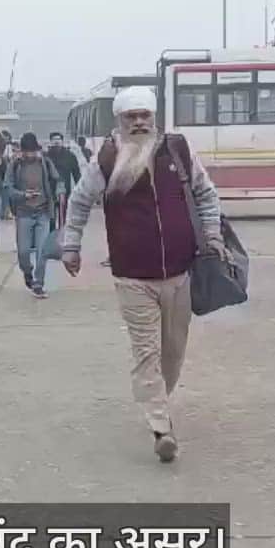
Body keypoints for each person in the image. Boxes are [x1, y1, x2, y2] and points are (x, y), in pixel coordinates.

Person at [61, 86, 224, 463]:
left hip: (181, 272)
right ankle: (161, 428)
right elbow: (80, 201)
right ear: (119, 121)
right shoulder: (107, 158)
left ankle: (158, 402)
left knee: (173, 352)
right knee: (146, 352)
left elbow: (206, 195)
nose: (137, 122)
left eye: (143, 115)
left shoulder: (178, 151)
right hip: (133, 276)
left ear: (154, 118)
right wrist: (71, 245)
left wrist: (212, 236)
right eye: (129, 117)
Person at [4, 132, 64, 298]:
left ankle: (38, 283)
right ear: (21, 151)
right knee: (23, 252)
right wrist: (23, 195)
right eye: (27, 151)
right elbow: (7, 187)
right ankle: (28, 273)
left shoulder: (45, 162)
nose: (30, 154)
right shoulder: (15, 165)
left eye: (33, 151)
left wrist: (60, 192)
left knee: (41, 251)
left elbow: (58, 179)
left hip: (43, 212)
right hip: (24, 214)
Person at [46, 132, 83, 227]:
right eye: (54, 139)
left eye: (58, 139)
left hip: (65, 190)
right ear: (50, 142)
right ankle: (52, 235)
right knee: (51, 217)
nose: (56, 141)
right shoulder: (46, 157)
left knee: (64, 215)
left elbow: (76, 173)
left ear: (62, 141)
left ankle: (63, 234)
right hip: (50, 190)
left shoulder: (70, 156)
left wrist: (79, 188)